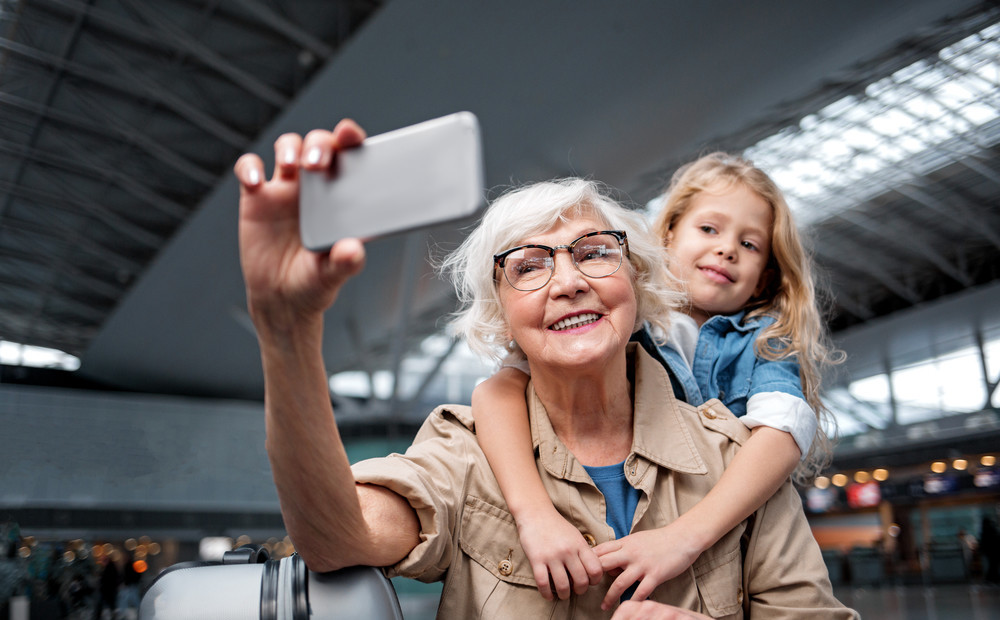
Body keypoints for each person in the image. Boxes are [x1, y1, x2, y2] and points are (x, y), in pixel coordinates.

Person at [234, 119, 857, 618]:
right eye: (528, 265)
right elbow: (339, 538)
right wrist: (287, 338)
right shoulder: (467, 454)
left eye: (595, 253)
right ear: (502, 321)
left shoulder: (736, 459)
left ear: (640, 289)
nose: (569, 281)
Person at [472, 151, 840, 605]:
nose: (727, 248)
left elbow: (783, 430)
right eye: (709, 229)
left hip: (723, 531)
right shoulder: (623, 319)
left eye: (750, 244)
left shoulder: (768, 340)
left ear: (763, 279)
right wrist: (534, 514)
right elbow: (497, 389)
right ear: (666, 237)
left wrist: (684, 537)